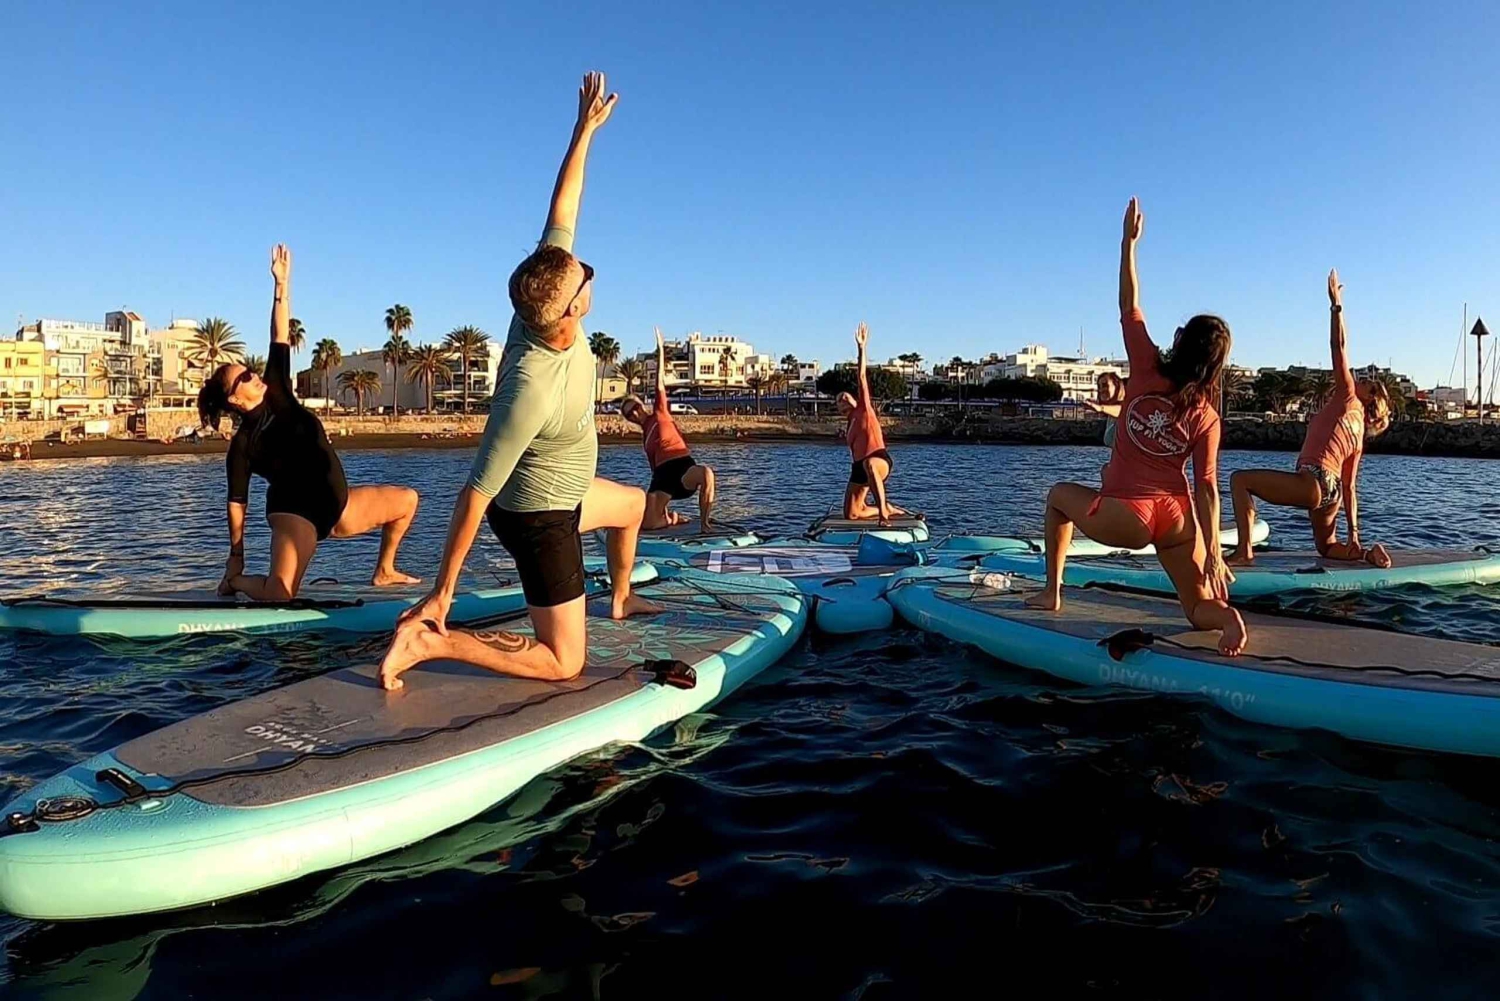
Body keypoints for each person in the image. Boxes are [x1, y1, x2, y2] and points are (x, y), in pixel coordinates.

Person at [379, 71, 658, 692]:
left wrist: (582, 131)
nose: (589, 275)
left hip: (572, 487)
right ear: (570, 311)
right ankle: (433, 640)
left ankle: (620, 599)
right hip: (539, 515)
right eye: (585, 280)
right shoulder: (531, 387)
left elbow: (563, 207)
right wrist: (442, 592)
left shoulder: (538, 295)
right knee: (565, 664)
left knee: (635, 505)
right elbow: (475, 493)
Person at [1023, 198, 1246, 656]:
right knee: (1196, 606)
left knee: (1057, 499)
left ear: (1181, 341)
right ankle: (1227, 619)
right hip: (1178, 519)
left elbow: (1128, 302)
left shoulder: (1145, 365)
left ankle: (1052, 592)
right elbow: (1207, 488)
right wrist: (1215, 555)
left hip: (1128, 513)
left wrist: (1128, 244)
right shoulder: (1207, 415)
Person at [197, 244, 420, 600]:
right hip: (295, 513)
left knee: (407, 501)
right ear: (234, 400)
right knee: (281, 594)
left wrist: (281, 286)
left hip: (338, 507)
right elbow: (237, 502)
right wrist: (235, 558)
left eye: (251, 371)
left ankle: (384, 571)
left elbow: (279, 335)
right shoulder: (243, 444)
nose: (255, 376)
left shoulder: (279, 390)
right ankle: (235, 584)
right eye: (245, 378)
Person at [1227, 270, 1392, 568]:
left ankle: (1244, 552)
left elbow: (1338, 346)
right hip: (1332, 494)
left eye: (1366, 382)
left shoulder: (1347, 396)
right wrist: (1354, 534)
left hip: (1313, 482)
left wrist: (1335, 306)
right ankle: (1366, 553)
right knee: (1327, 548)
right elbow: (1349, 488)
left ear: (1368, 398)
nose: (1360, 379)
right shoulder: (1358, 436)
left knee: (1240, 481)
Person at [621, 328, 717, 530]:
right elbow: (654, 468)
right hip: (662, 477)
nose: (635, 414)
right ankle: (673, 518)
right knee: (648, 524)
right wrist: (661, 505)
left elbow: (659, 381)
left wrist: (660, 349)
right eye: (630, 414)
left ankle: (705, 523)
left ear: (641, 405)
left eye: (636, 408)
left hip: (682, 467)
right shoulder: (645, 437)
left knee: (706, 474)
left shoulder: (659, 412)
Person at [836, 322, 905, 523]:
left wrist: (861, 348)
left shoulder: (864, 408)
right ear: (840, 410)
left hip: (878, 460)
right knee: (851, 514)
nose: (843, 399)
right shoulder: (848, 424)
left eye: (846, 396)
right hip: (859, 467)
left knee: (870, 465)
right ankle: (885, 508)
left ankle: (883, 513)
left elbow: (862, 376)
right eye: (839, 400)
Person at [1084, 371, 1125, 448]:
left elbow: (1123, 411)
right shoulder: (1110, 416)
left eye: (1105, 385)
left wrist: (1100, 408)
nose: (1101, 390)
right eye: (1099, 387)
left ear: (1117, 386)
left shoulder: (1129, 407)